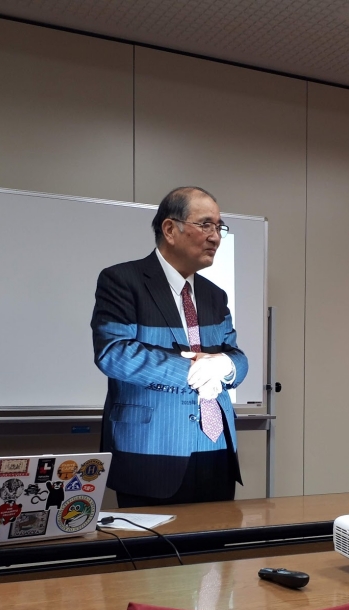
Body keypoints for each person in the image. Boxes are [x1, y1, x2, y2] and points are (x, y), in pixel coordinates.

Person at [91, 186, 247, 507]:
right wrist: (193, 370)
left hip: (217, 449)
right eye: (205, 224)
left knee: (217, 538)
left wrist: (226, 366)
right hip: (153, 450)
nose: (215, 237)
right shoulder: (123, 281)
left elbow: (235, 355)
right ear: (170, 229)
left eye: (219, 227)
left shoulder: (214, 295)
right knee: (156, 542)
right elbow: (114, 353)